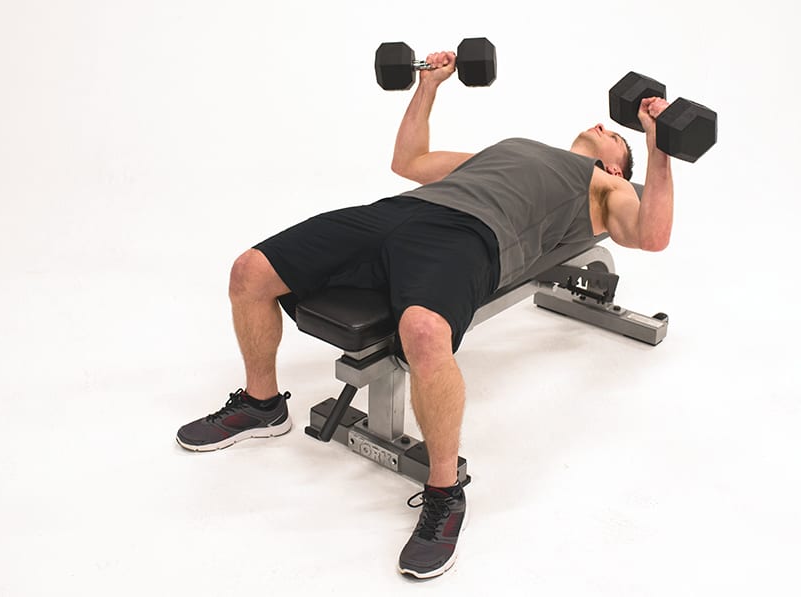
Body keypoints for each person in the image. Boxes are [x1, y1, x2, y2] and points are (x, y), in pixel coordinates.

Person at [175, 50, 674, 579]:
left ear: (616, 164)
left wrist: (657, 143)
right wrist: (430, 87)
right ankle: (262, 404)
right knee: (250, 270)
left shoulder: (608, 185)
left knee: (421, 331)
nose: (602, 126)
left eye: (614, 136)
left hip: (471, 239)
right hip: (397, 212)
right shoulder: (511, 148)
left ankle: (443, 492)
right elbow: (409, 163)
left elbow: (652, 234)